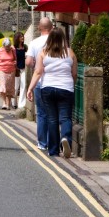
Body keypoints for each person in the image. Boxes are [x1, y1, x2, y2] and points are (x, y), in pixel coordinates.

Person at [26, 26, 78, 158]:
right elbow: (74, 74)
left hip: (47, 88)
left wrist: (30, 88)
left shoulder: (43, 53)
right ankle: (65, 138)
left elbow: (38, 72)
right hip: (66, 88)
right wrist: (72, 84)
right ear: (63, 39)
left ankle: (54, 150)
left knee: (52, 119)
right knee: (65, 118)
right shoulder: (70, 53)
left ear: (49, 39)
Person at [25, 17, 53, 150]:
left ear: (39, 28)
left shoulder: (34, 43)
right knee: (54, 113)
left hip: (40, 82)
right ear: (52, 28)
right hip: (56, 82)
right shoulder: (59, 42)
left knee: (41, 113)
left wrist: (36, 65)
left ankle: (42, 143)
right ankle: (54, 142)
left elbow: (29, 62)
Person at [0, 37, 18, 110]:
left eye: (8, 47)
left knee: (10, 88)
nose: (7, 48)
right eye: (6, 47)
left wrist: (15, 63)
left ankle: (8, 104)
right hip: (1, 70)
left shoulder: (13, 49)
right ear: (3, 46)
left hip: (11, 70)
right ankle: (4, 102)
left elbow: (15, 59)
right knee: (3, 85)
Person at [13, 31, 27, 109]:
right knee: (15, 88)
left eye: (23, 36)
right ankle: (14, 103)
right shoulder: (14, 48)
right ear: (17, 38)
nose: (22, 38)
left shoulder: (25, 47)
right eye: (21, 36)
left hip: (24, 69)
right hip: (16, 70)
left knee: (23, 86)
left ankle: (21, 104)